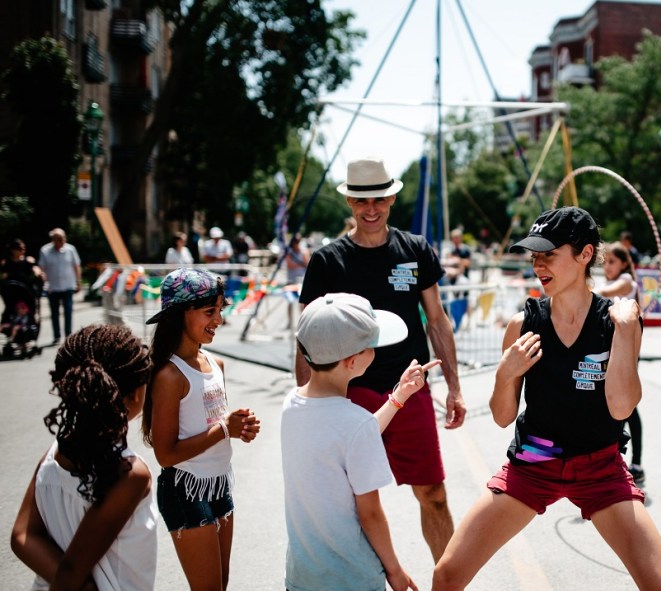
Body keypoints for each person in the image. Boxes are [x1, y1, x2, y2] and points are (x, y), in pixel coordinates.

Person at [432, 207, 661, 591]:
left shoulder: (615, 321)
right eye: (534, 256)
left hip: (600, 468)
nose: (538, 265)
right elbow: (502, 417)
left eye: (549, 254)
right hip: (533, 464)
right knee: (446, 575)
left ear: (584, 255)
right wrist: (505, 372)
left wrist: (627, 333)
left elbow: (621, 407)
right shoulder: (522, 323)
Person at [296, 156, 465, 563]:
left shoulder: (415, 249)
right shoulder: (327, 260)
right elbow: (305, 336)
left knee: (434, 496)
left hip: (408, 389)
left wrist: (455, 388)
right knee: (351, 506)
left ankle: (448, 583)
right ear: (350, 203)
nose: (370, 209)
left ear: (391, 197)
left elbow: (438, 323)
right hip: (348, 395)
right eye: (360, 201)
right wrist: (303, 402)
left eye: (378, 199)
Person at [284, 293, 440, 591]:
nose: (376, 351)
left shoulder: (292, 403)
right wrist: (394, 570)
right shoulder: (354, 423)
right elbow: (370, 514)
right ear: (353, 360)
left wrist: (399, 396)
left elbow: (355, 432)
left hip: (302, 575)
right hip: (353, 577)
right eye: (371, 346)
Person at [141, 268, 261, 590]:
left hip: (219, 483)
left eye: (220, 310)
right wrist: (225, 429)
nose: (219, 320)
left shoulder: (215, 364)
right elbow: (165, 454)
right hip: (184, 489)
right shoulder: (169, 375)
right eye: (210, 311)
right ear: (179, 313)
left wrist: (240, 427)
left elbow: (215, 424)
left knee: (220, 586)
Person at [11, 324, 156, 590]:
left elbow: (22, 535)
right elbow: (71, 572)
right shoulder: (129, 473)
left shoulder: (55, 452)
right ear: (137, 393)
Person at [594, 241, 645, 486]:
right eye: (605, 263)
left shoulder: (626, 281)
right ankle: (614, 457)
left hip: (626, 351)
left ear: (624, 263)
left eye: (612, 261)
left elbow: (602, 293)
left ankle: (635, 462)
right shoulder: (610, 283)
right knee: (612, 404)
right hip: (610, 349)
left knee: (627, 408)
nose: (607, 267)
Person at [37, 228, 81, 344]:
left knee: (68, 310)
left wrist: (78, 281)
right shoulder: (45, 251)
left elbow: (76, 266)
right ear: (53, 240)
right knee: (54, 312)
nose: (62, 241)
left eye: (63, 239)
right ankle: (56, 335)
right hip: (53, 287)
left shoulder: (70, 249)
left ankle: (68, 334)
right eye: (59, 240)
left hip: (68, 286)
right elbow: (41, 268)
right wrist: (42, 279)